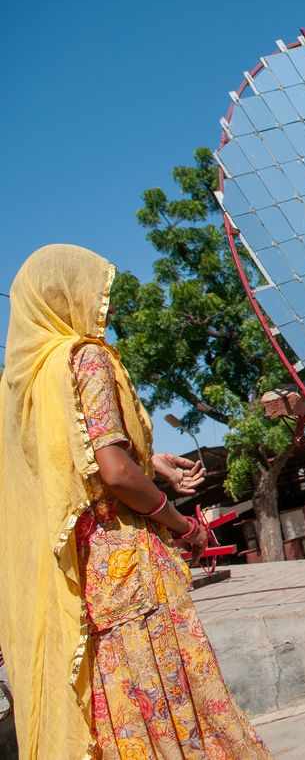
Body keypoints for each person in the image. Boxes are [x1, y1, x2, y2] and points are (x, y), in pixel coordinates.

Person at [0, 245, 271, 759]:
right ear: (69, 294)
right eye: (98, 290)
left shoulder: (25, 382)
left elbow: (72, 463)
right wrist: (180, 524)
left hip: (83, 577)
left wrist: (152, 463)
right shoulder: (87, 356)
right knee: (169, 695)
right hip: (129, 569)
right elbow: (113, 472)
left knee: (118, 705)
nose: (106, 304)